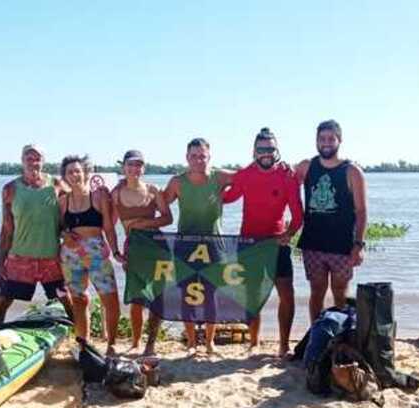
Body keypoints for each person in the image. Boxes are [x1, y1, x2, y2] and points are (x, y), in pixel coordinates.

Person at [222, 127, 303, 356]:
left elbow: (298, 214)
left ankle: (284, 345)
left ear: (277, 150)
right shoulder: (245, 174)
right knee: (251, 295)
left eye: (270, 149)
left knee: (286, 294)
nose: (266, 153)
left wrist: (289, 233)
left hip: (277, 244)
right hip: (249, 244)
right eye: (261, 149)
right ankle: (254, 342)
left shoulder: (287, 175)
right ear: (254, 151)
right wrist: (210, 182)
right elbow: (227, 197)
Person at [0, 144, 72, 332]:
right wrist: (1, 263)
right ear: (22, 161)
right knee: (4, 300)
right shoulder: (10, 189)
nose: (33, 162)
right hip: (20, 260)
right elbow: (6, 230)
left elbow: (77, 204)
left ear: (43, 161)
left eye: (37, 158)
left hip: (51, 259)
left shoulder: (56, 185)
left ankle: (81, 337)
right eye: (29, 158)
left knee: (66, 297)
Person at [164, 138, 232, 355]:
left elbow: (249, 177)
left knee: (212, 294)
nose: (198, 160)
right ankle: (192, 342)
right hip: (185, 245)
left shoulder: (220, 177)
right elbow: (160, 202)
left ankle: (210, 343)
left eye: (202, 156)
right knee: (187, 295)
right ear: (187, 158)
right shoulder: (177, 182)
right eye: (194, 156)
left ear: (209, 157)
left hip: (214, 244)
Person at [295, 120, 367, 322]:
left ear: (339, 140)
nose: (326, 143)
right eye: (322, 139)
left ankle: (341, 333)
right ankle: (317, 333)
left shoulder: (352, 171)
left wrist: (359, 245)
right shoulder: (306, 167)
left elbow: (362, 211)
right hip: (313, 243)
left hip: (342, 244)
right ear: (316, 141)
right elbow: (285, 188)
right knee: (316, 292)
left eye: (330, 139)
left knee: (340, 292)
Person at [111, 150, 173, 356]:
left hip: (157, 248)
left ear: (143, 168)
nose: (134, 169)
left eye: (138, 165)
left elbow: (167, 218)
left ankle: (151, 344)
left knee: (158, 297)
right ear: (123, 167)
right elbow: (109, 226)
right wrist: (115, 251)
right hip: (133, 249)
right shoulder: (116, 193)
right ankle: (136, 342)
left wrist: (144, 223)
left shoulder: (153, 190)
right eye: (130, 164)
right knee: (136, 297)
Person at [60, 155, 123, 355]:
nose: (74, 175)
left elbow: (109, 228)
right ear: (64, 176)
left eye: (77, 171)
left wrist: (115, 251)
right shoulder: (63, 201)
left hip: (96, 253)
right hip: (71, 256)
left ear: (85, 173)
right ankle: (83, 344)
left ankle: (111, 344)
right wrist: (65, 235)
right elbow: (59, 228)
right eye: (70, 172)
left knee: (109, 298)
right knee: (79, 300)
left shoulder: (98, 197)